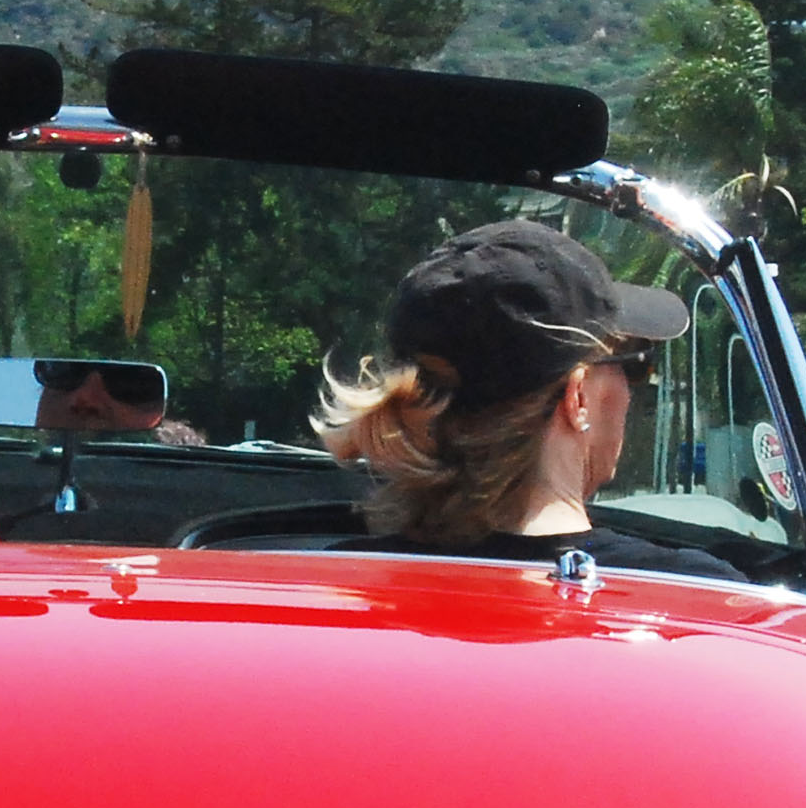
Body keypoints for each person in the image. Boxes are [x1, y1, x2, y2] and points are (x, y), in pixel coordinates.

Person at [315, 218, 741, 582]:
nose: (633, 391)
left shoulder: (328, 587)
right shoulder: (704, 603)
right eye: (636, 365)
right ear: (578, 399)